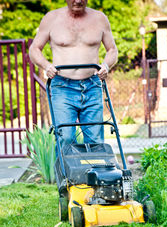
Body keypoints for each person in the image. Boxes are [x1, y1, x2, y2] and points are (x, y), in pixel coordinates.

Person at [29, 0, 118, 145]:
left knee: (95, 140)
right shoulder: (51, 18)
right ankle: (67, 168)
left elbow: (112, 50)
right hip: (63, 87)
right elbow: (34, 49)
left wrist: (106, 66)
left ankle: (94, 168)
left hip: (92, 85)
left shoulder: (100, 18)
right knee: (66, 138)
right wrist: (46, 66)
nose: (78, 1)